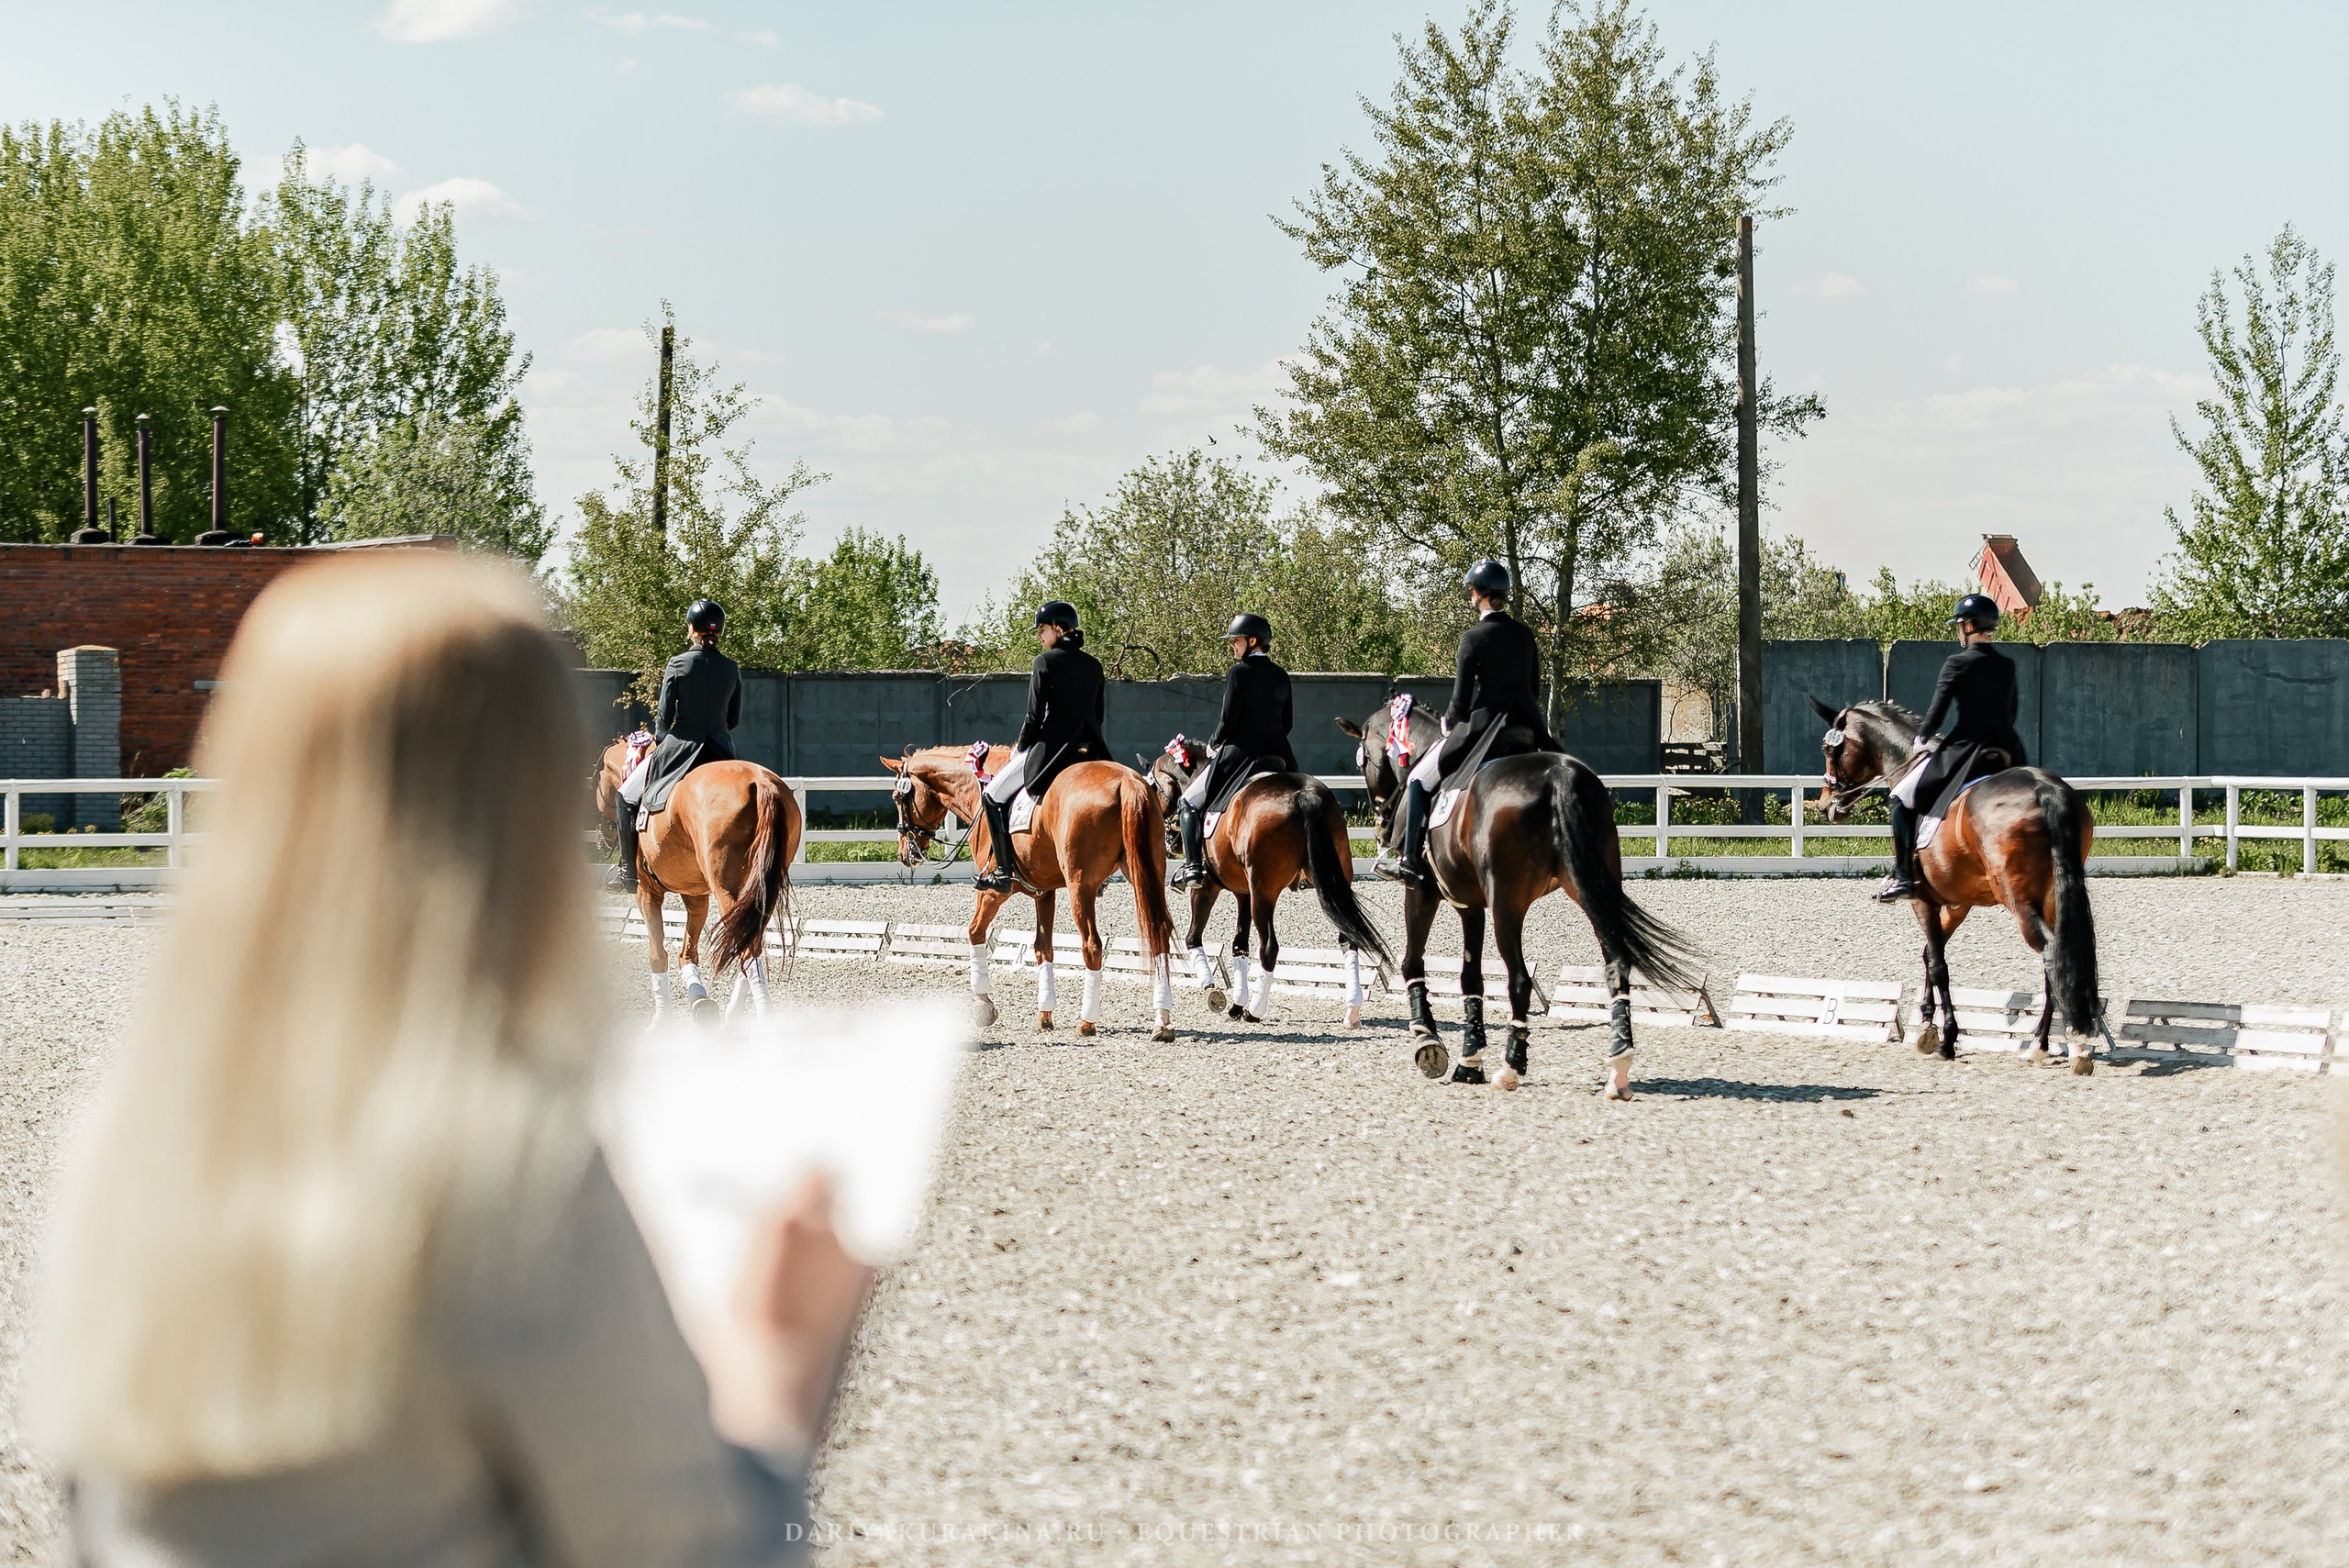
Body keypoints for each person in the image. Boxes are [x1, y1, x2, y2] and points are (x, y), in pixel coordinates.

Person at [37, 555, 870, 1564]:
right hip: (723, 751)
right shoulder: (516, 1172)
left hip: (681, 752)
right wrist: (783, 1373)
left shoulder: (116, 1144)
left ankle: (632, 855)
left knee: (636, 801)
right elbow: (697, 1547)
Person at [1376, 560, 1558, 887]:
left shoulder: (1472, 638)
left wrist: (1449, 724)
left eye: (1471, 593)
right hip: (1526, 728)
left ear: (1477, 595)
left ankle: (1408, 860)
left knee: (1417, 778)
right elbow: (1533, 688)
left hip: (1485, 730)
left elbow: (1461, 700)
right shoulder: (1525, 635)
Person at [1876, 592, 2026, 902]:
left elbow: (1937, 710)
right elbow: (2010, 711)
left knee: (1902, 801)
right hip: (2009, 748)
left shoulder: (1956, 663)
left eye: (1960, 624)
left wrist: (1923, 737)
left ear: (1969, 626)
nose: (1959, 630)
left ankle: (1904, 875)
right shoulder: (2007, 665)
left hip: (1966, 749)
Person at [974, 601, 1108, 894]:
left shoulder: (1044, 663)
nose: (1040, 636)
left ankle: (1003, 870)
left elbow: (1033, 717)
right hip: (1090, 751)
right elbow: (1098, 716)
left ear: (1059, 630)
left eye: (1043, 630)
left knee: (993, 796)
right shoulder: (1094, 665)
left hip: (1051, 752)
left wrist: (1020, 748)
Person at [612, 598, 740, 892]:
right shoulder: (731, 668)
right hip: (721, 749)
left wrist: (660, 740)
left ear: (690, 629)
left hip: (681, 746)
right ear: (719, 630)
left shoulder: (679, 664)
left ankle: (628, 873)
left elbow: (663, 717)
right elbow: (733, 719)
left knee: (623, 797)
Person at [1171, 612, 1295, 888]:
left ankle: (1192, 868)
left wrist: (1214, 742)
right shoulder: (1281, 675)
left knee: (1188, 802)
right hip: (1280, 753)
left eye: (1236, 641)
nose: (1232, 646)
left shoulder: (1238, 673)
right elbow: (1287, 723)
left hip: (1241, 753)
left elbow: (1228, 720)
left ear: (1253, 641)